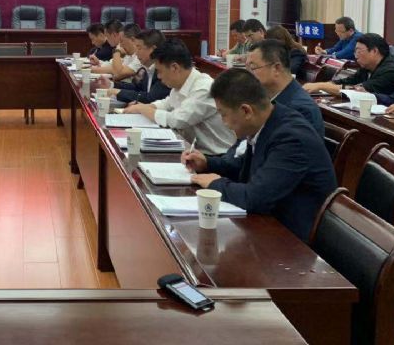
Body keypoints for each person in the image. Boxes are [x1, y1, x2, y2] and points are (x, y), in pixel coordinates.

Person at [181, 69, 337, 241]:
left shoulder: (291, 138)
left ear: (246, 111)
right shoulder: (268, 121)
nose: (224, 123)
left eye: (223, 115)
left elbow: (255, 198)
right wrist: (207, 163)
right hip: (269, 223)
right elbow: (243, 168)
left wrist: (215, 184)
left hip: (292, 239)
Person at [128, 39, 234, 154]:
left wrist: (142, 109)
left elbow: (178, 120)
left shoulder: (204, 88)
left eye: (160, 71)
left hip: (215, 157)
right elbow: (167, 103)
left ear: (174, 68)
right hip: (192, 151)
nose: (158, 76)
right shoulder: (180, 84)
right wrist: (145, 106)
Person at [246, 39, 324, 137]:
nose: (248, 75)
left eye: (253, 68)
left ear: (276, 68)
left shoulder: (300, 109)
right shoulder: (265, 98)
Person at [304, 33, 394, 97]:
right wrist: (324, 85)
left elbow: (357, 91)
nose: (355, 55)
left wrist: (321, 86)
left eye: (359, 51)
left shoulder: (390, 70)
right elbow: (349, 81)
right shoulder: (367, 66)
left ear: (374, 51)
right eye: (355, 51)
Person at [109, 29, 170, 104]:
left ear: (153, 49)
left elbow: (150, 98)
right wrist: (112, 85)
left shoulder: (165, 71)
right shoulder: (148, 67)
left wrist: (118, 92)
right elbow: (137, 88)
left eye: (139, 48)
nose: (136, 53)